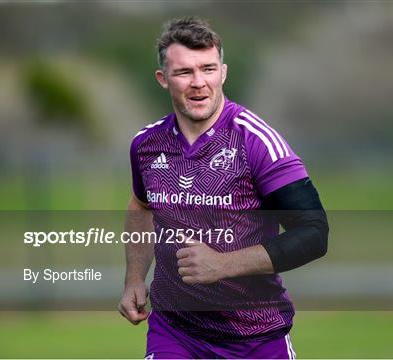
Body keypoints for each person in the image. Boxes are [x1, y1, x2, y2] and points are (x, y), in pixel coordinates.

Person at [118, 17, 329, 359]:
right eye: (184, 72)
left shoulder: (256, 141)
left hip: (256, 337)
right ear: (163, 79)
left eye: (208, 69)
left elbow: (314, 233)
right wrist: (134, 279)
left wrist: (222, 264)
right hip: (176, 332)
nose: (198, 82)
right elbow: (141, 206)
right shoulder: (146, 144)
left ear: (223, 73)